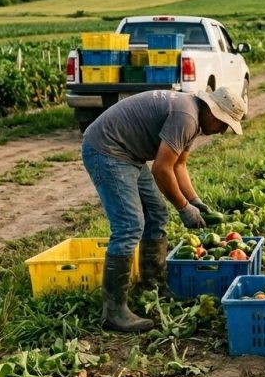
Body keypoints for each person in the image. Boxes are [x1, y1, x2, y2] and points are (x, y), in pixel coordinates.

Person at [81, 87, 246, 332]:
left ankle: (152, 285)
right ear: (213, 113)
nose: (222, 131)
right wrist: (183, 208)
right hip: (107, 150)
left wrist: (195, 200)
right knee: (129, 225)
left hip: (128, 153)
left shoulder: (193, 117)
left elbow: (178, 166)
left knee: (157, 213)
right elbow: (161, 170)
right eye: (224, 124)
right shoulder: (187, 117)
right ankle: (114, 311)